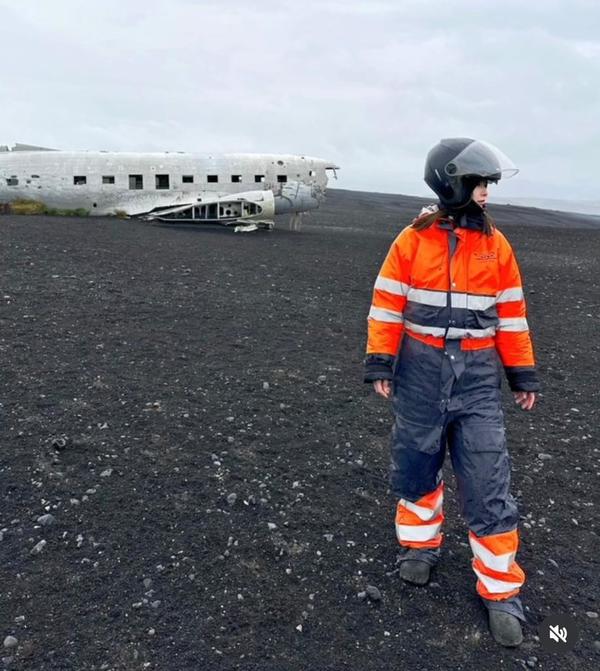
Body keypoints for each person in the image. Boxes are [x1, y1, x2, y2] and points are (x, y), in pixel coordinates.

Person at [364, 138, 539, 647]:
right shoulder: (412, 241)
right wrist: (381, 360)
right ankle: (419, 547)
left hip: (479, 376)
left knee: (488, 479)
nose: (486, 193)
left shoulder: (496, 246)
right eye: (480, 184)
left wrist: (521, 372)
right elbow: (387, 304)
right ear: (453, 182)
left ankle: (501, 591)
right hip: (419, 370)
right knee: (416, 463)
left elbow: (511, 315)